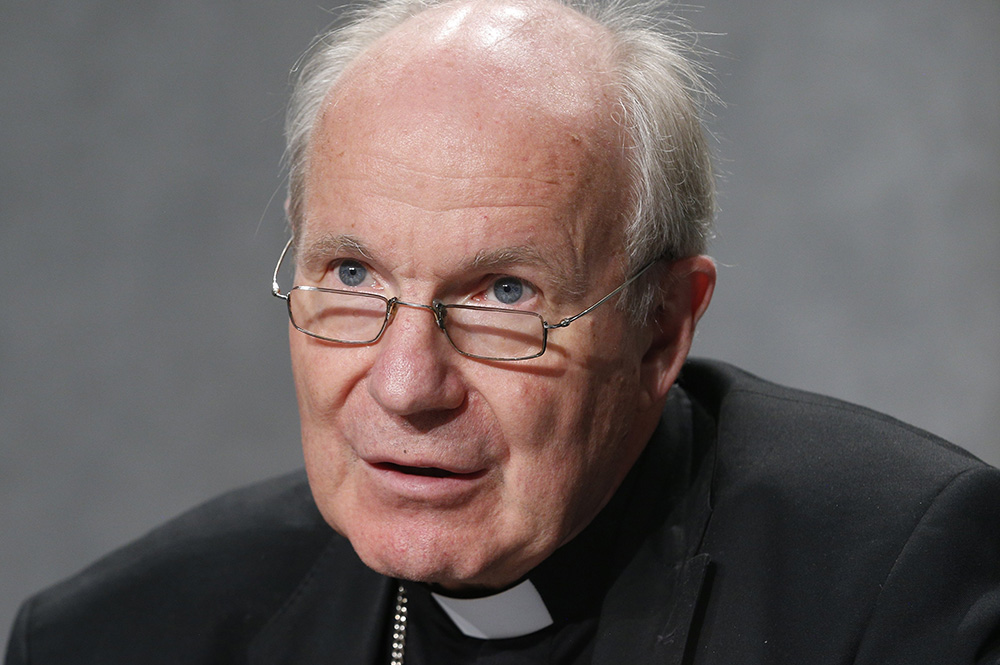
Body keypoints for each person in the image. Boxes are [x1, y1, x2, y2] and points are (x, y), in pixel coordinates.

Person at [6, 0, 999, 662]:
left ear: (660, 330)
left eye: (503, 293)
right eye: (352, 275)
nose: (406, 384)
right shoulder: (120, 634)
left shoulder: (896, 592)